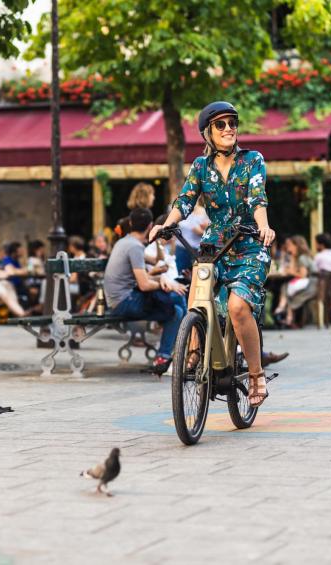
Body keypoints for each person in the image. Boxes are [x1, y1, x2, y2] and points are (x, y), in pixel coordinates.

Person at [150, 101, 275, 406]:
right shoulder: (200, 166)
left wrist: (264, 227)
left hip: (248, 243)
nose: (229, 128)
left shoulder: (252, 160)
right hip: (216, 243)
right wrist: (165, 225)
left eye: (232, 122)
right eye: (221, 124)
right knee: (199, 282)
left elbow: (258, 198)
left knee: (236, 307)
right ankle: (193, 348)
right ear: (208, 133)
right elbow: (185, 200)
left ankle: (256, 374)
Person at [104, 207, 187, 375]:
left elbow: (156, 262)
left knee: (177, 310)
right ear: (150, 226)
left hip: (123, 299)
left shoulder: (125, 242)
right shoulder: (134, 247)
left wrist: (161, 280)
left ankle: (167, 356)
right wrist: (167, 284)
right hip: (124, 302)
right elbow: (144, 285)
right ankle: (178, 352)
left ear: (130, 223)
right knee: (177, 301)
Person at [282, 235, 317, 327]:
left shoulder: (302, 258)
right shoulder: (300, 257)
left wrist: (290, 271)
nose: (288, 248)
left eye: (290, 245)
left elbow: (303, 275)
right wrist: (292, 257)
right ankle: (288, 316)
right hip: (311, 283)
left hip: (312, 285)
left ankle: (284, 311)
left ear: (296, 246)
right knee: (286, 287)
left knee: (286, 287)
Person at [175, 204, 209, 275]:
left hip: (197, 250)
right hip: (182, 249)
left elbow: (210, 232)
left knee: (197, 276)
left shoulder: (205, 212)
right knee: (182, 275)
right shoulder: (178, 210)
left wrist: (201, 232)